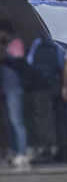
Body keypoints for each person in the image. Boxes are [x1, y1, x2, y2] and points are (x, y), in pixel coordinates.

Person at [26, 35, 65, 163]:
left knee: (43, 118)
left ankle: (46, 148)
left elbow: (29, 60)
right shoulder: (57, 43)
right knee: (57, 117)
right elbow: (61, 63)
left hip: (39, 87)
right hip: (54, 86)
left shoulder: (37, 42)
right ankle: (58, 147)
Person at [0, 19, 29, 169]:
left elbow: (17, 61)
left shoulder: (16, 43)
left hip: (14, 89)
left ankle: (23, 153)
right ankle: (13, 150)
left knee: (16, 121)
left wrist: (4, 50)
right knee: (8, 123)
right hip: (4, 89)